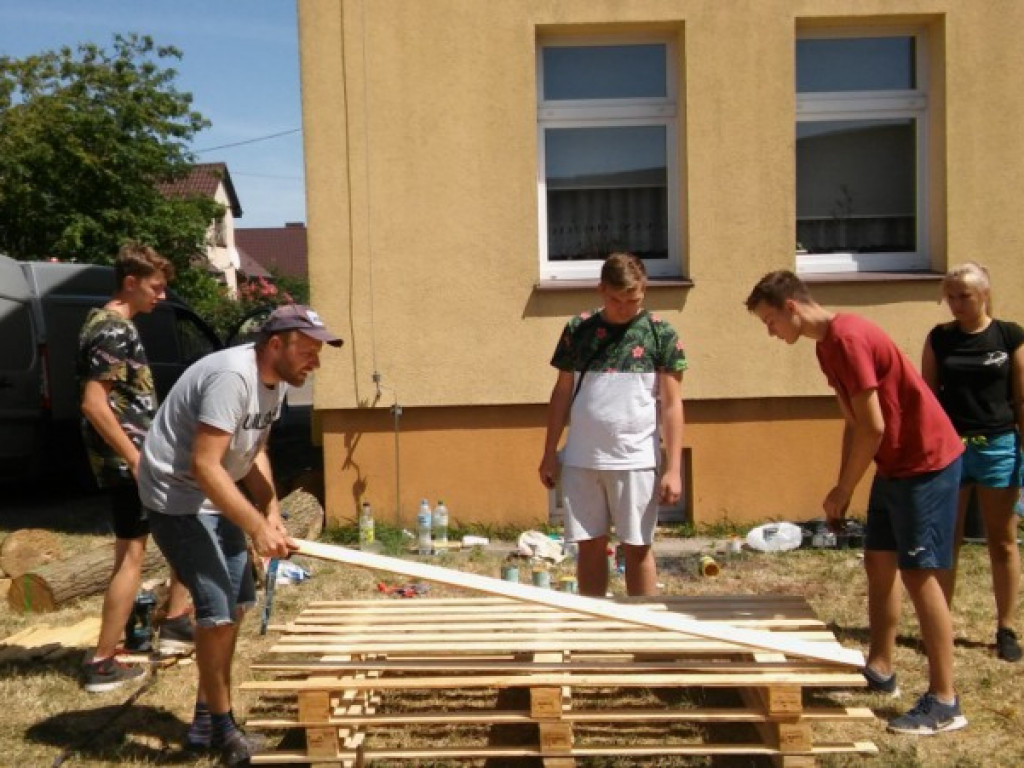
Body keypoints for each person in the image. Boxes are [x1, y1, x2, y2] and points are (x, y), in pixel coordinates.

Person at [746, 270, 967, 735]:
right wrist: (839, 486)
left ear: (791, 308)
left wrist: (846, 488)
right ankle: (881, 668)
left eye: (770, 322)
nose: (770, 333)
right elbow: (855, 422)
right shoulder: (826, 346)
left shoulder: (848, 338)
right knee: (879, 562)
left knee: (919, 573)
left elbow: (875, 426)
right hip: (893, 465)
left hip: (926, 461)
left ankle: (945, 700)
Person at [138, 303, 341, 766]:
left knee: (239, 602)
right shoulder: (233, 377)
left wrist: (271, 510)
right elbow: (205, 466)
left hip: (217, 490)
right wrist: (254, 527)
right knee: (216, 611)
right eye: (308, 350)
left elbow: (251, 452)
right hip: (177, 497)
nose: (315, 361)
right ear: (276, 344)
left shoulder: (275, 384)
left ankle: (207, 715)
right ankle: (225, 732)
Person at [77, 243, 194, 693]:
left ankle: (177, 620)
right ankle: (103, 660)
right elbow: (94, 403)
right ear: (130, 282)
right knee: (133, 554)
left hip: (137, 458)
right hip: (132, 463)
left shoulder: (106, 321)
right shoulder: (112, 329)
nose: (161, 296)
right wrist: (135, 457)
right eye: (155, 287)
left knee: (181, 522)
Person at [539, 253, 686, 598]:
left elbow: (672, 405)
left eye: (632, 300)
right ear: (601, 289)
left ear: (644, 291)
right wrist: (549, 453)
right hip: (581, 460)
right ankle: (594, 630)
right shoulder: (579, 329)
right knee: (589, 546)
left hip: (635, 461)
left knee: (637, 547)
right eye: (615, 299)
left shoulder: (660, 333)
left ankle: (646, 640)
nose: (623, 308)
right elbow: (561, 394)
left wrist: (674, 468)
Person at [921, 262, 1024, 662]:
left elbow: (1020, 397)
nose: (956, 304)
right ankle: (939, 622)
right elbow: (927, 395)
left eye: (964, 295)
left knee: (1001, 540)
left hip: (999, 445)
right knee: (947, 538)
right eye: (950, 296)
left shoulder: (1009, 336)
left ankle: (1006, 627)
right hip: (951, 447)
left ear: (984, 295)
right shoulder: (940, 339)